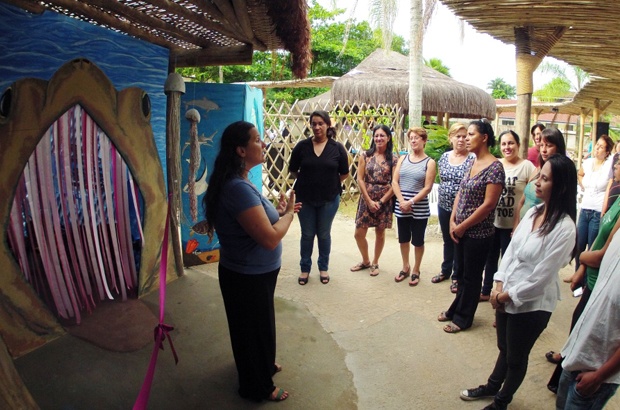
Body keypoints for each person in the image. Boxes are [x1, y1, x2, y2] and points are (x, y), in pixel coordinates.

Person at [459, 154, 578, 410]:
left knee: (516, 356)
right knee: (504, 346)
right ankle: (492, 386)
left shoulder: (565, 229)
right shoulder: (534, 211)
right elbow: (511, 251)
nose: (537, 182)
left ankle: (501, 401)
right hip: (506, 291)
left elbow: (541, 278)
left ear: (562, 187)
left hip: (532, 304)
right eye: (539, 176)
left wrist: (504, 296)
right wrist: (498, 283)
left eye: (545, 179)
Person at [203, 121, 300, 402]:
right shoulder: (237, 188)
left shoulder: (241, 180)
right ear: (241, 150)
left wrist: (278, 213)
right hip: (246, 276)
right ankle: (256, 386)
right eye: (258, 140)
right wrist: (289, 215)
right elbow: (269, 239)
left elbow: (259, 222)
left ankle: (263, 366)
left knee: (259, 325)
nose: (264, 144)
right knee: (251, 330)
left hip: (254, 273)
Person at [546, 158, 620, 393]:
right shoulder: (617, 200)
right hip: (592, 279)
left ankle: (569, 382)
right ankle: (563, 375)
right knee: (578, 327)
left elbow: (601, 254)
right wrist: (581, 268)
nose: (616, 167)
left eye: (619, 164)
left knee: (587, 338)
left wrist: (584, 259)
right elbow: (600, 240)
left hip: (603, 284)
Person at [438, 119, 505, 333]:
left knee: (472, 276)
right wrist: (452, 221)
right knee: (461, 272)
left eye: (471, 134)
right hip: (460, 228)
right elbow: (461, 192)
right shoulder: (470, 161)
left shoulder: (495, 167)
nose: (466, 138)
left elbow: (488, 205)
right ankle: (455, 308)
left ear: (484, 138)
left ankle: (463, 318)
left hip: (478, 233)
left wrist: (463, 225)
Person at [556, 223, 620, 409]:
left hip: (597, 372)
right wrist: (583, 264)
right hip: (575, 354)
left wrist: (599, 376)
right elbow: (599, 256)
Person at [290, 110, 349, 285]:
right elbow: (293, 170)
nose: (317, 127)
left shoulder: (337, 148)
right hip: (305, 198)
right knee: (307, 234)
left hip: (329, 199)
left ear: (327, 125)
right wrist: (308, 180)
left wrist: (329, 182)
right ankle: (305, 268)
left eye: (320, 123)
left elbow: (344, 173)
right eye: (314, 123)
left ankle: (323, 267)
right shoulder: (302, 146)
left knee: (323, 234)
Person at [480, 131, 536, 301]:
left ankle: (504, 295)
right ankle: (485, 290)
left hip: (513, 226)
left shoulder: (527, 167)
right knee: (490, 259)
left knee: (509, 262)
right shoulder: (496, 164)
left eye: (511, 143)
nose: (507, 147)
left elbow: (531, 197)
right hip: (493, 222)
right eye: (503, 144)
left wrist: (520, 224)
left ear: (518, 145)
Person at [350, 124, 399, 276]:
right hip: (367, 197)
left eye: (382, 135)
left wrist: (381, 201)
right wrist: (369, 200)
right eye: (376, 135)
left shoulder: (394, 159)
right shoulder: (365, 155)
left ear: (388, 138)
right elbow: (360, 178)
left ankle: (375, 262)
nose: (379, 138)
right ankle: (365, 261)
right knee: (359, 233)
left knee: (380, 232)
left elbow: (395, 183)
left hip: (384, 199)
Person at [432, 122, 475, 294]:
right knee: (447, 239)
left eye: (465, 136)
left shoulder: (473, 158)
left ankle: (457, 276)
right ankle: (445, 270)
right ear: (451, 138)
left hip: (463, 209)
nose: (462, 139)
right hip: (443, 205)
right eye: (458, 136)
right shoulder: (444, 157)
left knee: (459, 240)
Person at [392, 127, 436, 286]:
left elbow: (427, 187)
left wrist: (410, 202)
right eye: (411, 138)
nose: (414, 140)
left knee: (418, 240)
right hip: (401, 206)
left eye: (417, 137)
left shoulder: (429, 162)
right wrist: (402, 201)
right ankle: (405, 267)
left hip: (419, 208)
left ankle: (416, 269)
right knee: (403, 239)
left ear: (424, 140)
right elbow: (395, 181)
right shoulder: (402, 159)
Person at [514, 128, 567, 228]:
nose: (544, 150)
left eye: (549, 145)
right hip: (521, 226)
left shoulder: (560, 174)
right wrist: (516, 227)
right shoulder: (537, 169)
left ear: (558, 147)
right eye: (542, 145)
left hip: (539, 228)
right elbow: (522, 202)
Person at [575, 134, 614, 270]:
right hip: (584, 208)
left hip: (597, 211)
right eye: (597, 145)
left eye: (601, 147)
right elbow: (579, 174)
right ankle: (577, 278)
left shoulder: (609, 166)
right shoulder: (588, 162)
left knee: (592, 246)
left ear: (607, 151)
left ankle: (586, 280)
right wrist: (582, 185)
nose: (597, 148)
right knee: (579, 245)